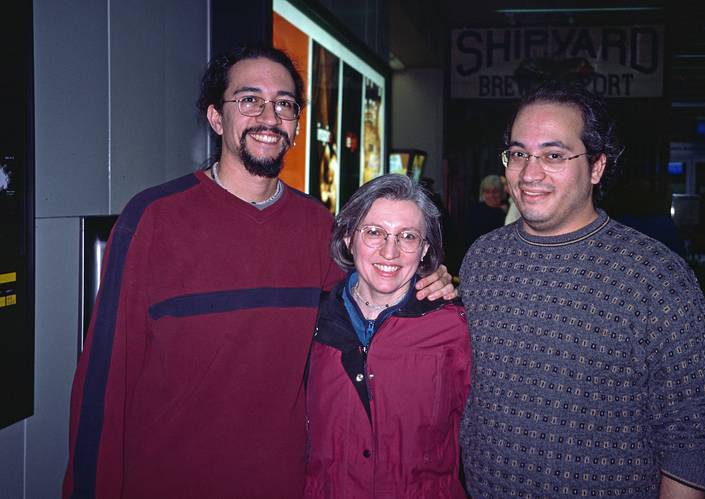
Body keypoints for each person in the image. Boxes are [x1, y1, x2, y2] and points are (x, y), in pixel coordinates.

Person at [63, 44, 454, 499]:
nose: (270, 116)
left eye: (284, 104)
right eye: (249, 100)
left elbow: (367, 317)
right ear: (215, 117)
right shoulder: (153, 219)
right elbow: (105, 380)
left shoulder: (317, 227)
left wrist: (424, 284)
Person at [458, 81, 705, 498]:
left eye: (554, 155)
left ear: (597, 167)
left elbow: (696, 423)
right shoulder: (482, 258)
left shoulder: (653, 274)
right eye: (519, 153)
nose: (529, 172)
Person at [305, 174, 471, 498]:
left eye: (407, 236)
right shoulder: (312, 322)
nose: (389, 251)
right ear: (350, 238)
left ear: (424, 249)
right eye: (374, 232)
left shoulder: (454, 330)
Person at [464, 174, 507, 252]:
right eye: (487, 192)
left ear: (501, 192)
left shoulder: (508, 210)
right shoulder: (475, 212)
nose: (491, 195)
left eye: (495, 191)